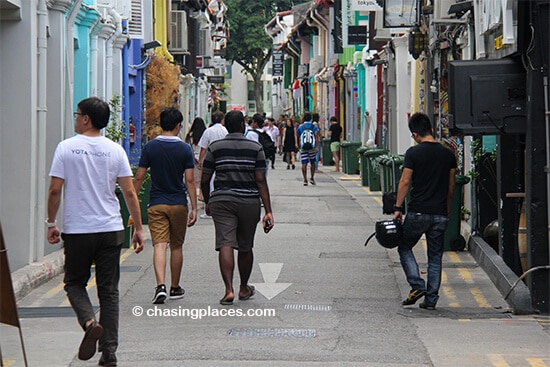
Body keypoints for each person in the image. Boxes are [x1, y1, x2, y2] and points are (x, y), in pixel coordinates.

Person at [46, 97, 145, 367]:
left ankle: (89, 322)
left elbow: (55, 189)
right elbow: (128, 192)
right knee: (109, 291)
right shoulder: (116, 151)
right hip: (110, 229)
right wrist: (137, 227)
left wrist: (50, 223)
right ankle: (109, 352)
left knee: (75, 283)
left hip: (78, 230)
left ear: (86, 118)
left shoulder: (66, 148)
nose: (76, 118)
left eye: (78, 115)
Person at [201, 110, 274, 306]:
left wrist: (207, 201)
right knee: (245, 245)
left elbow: (205, 178)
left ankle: (228, 290)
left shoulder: (215, 147)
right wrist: (268, 210)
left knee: (225, 242)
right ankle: (243, 287)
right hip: (249, 202)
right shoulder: (255, 147)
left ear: (226, 126)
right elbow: (261, 181)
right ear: (243, 126)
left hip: (222, 201)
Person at [393, 112, 457, 310]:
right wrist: (446, 211)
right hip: (440, 214)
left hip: (418, 211)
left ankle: (416, 284)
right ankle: (430, 300)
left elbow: (405, 181)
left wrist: (397, 207)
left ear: (414, 134)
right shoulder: (448, 154)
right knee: (435, 257)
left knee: (404, 246)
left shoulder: (413, 153)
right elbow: (451, 188)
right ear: (430, 128)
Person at [134, 108, 198, 305]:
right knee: (176, 246)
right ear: (178, 126)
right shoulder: (185, 149)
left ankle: (160, 286)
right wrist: (195, 207)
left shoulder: (150, 147)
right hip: (178, 203)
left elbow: (139, 177)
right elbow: (189, 180)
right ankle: (174, 287)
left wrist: (133, 200)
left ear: (161, 124)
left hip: (156, 203)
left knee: (160, 245)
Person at [197, 110, 227, 219]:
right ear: (222, 120)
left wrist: (200, 161)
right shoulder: (226, 131)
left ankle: (208, 209)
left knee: (209, 185)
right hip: (223, 160)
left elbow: (203, 148)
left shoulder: (208, 131)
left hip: (210, 160)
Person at [185, 117, 207, 202]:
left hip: (192, 159)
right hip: (202, 158)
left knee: (192, 178)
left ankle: (192, 193)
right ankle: (201, 194)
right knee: (203, 178)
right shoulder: (205, 134)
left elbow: (187, 146)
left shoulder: (189, 136)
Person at [296, 112, 320, 186]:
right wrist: (316, 147)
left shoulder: (301, 127)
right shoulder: (314, 127)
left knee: (304, 163)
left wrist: (298, 145)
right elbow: (316, 137)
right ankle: (312, 178)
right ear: (311, 118)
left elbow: (297, 136)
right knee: (312, 162)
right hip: (312, 148)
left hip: (303, 148)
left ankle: (305, 180)